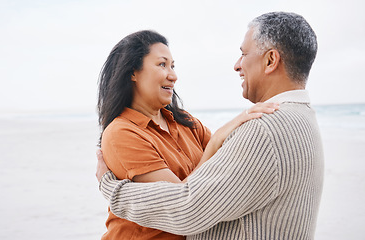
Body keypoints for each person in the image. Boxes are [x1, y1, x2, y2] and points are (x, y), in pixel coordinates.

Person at [97, 12, 324, 239]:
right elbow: (183, 203)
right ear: (133, 73)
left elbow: (189, 203)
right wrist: (217, 140)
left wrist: (110, 187)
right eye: (162, 65)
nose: (173, 76)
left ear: (271, 60)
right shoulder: (122, 132)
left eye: (172, 65)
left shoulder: (190, 123)